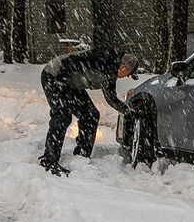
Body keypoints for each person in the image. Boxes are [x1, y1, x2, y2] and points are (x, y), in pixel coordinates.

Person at [38, 47, 139, 176]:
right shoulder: (102, 59)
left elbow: (111, 98)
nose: (127, 77)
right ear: (123, 67)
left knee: (91, 115)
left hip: (71, 83)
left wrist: (128, 110)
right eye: (128, 74)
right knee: (62, 116)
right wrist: (60, 83)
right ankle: (49, 159)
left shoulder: (110, 72)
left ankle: (82, 155)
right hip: (54, 75)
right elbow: (72, 60)